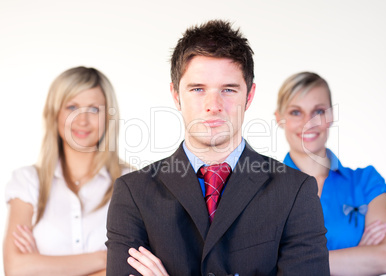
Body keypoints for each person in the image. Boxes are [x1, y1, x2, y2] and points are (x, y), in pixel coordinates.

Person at [106, 20, 329, 275]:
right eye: (198, 89)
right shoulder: (133, 193)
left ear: (250, 95)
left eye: (229, 89)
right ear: (176, 95)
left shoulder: (295, 191)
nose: (213, 105)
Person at [3, 66, 129, 276]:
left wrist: (41, 266)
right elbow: (16, 269)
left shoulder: (130, 183)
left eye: (94, 109)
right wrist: (105, 258)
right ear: (54, 113)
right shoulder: (27, 181)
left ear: (108, 116)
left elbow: (131, 269)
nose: (82, 120)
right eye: (72, 107)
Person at [275, 71, 386, 275]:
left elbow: (385, 259)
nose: (308, 122)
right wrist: (358, 257)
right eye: (296, 112)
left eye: (318, 111)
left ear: (331, 116)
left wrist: (294, 262)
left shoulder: (366, 182)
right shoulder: (263, 190)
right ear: (280, 118)